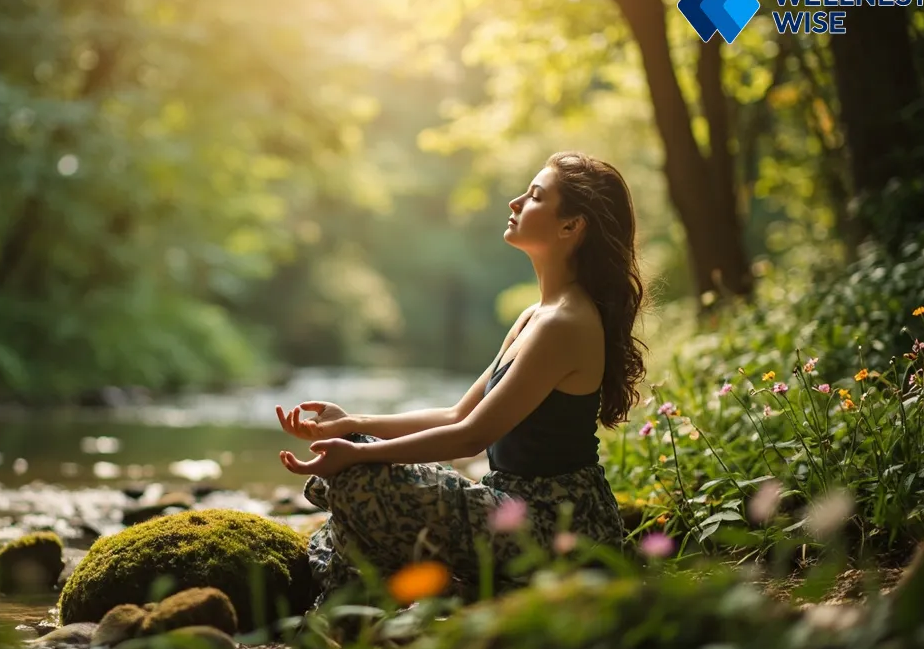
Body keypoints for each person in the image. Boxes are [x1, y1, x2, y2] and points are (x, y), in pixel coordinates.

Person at [274, 151, 646, 604]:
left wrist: (353, 455)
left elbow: (470, 437)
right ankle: (366, 588)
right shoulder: (536, 316)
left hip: (556, 528)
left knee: (357, 480)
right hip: (511, 507)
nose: (514, 202)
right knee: (356, 472)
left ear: (571, 226)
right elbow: (456, 413)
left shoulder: (564, 322)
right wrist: (353, 425)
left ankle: (359, 591)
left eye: (533, 196)